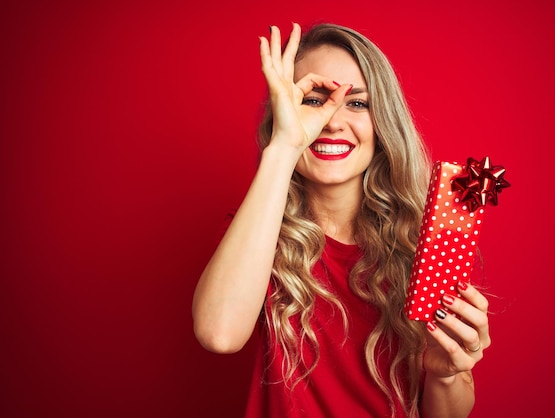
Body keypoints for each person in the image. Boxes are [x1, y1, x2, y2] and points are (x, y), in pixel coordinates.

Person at [192, 22, 491, 418]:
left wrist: (446, 376)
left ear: (384, 121)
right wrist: (285, 144)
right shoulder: (257, 233)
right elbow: (219, 333)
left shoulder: (427, 242)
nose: (332, 121)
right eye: (315, 100)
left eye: (357, 103)